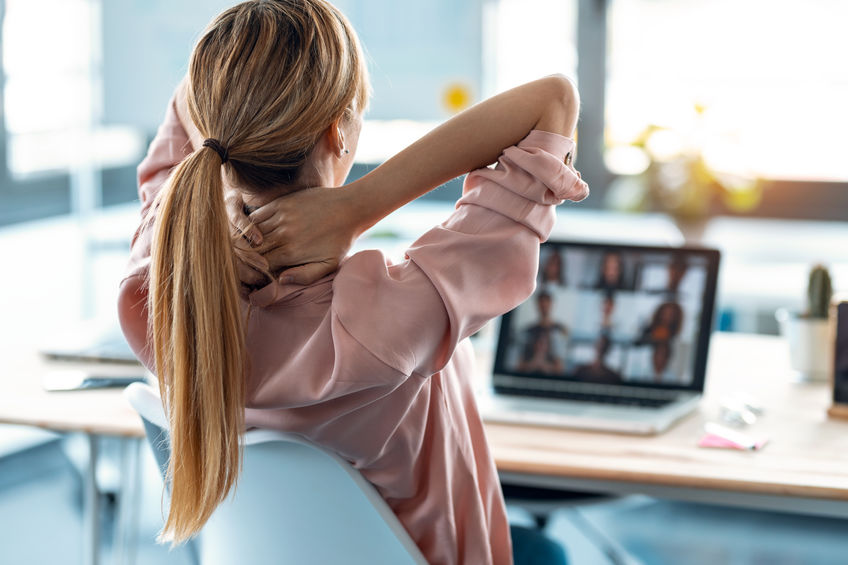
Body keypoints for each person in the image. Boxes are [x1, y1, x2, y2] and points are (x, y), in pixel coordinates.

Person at [117, 2, 588, 563]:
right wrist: (356, 206)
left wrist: (226, 200)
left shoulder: (161, 287)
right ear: (339, 129)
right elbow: (553, 99)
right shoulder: (398, 314)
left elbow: (193, 103)